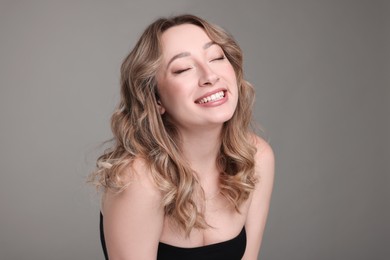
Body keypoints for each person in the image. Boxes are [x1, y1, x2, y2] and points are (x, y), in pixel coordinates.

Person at [89, 14, 274, 260]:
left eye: (217, 57)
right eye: (183, 68)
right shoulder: (139, 179)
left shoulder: (256, 157)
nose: (210, 76)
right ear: (156, 99)